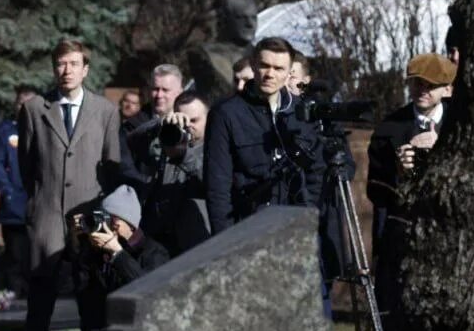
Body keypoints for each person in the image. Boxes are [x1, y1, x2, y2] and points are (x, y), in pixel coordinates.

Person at [18, 39, 121, 331]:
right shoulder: (35, 109)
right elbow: (27, 165)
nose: (67, 70)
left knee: (90, 296)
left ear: (85, 69)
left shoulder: (105, 111)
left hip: (88, 217)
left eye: (74, 64)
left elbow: (111, 164)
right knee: (40, 300)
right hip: (46, 215)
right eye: (61, 64)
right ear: (54, 67)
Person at [366, 52, 455, 331]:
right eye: (417, 83)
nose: (422, 90)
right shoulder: (389, 129)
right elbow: (375, 193)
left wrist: (441, 152)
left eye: (431, 84)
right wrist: (401, 171)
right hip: (402, 239)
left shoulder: (462, 128)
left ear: (448, 89)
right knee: (395, 326)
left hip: (450, 241)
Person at [204, 37, 325, 235]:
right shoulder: (226, 114)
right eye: (264, 66)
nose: (270, 74)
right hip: (246, 227)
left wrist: (308, 217)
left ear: (289, 73)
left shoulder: (302, 112)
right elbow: (217, 186)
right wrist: (224, 241)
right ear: (253, 64)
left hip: (295, 226)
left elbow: (316, 172)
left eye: (278, 69)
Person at [68, 184, 170, 331]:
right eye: (105, 220)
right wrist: (78, 247)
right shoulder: (96, 252)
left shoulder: (154, 253)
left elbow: (147, 291)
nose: (108, 228)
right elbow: (78, 294)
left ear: (130, 224)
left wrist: (118, 254)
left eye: (113, 222)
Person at [123, 90, 211, 255]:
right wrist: (161, 124)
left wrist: (183, 154)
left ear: (209, 119)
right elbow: (133, 141)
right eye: (184, 120)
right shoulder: (167, 141)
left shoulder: (215, 149)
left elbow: (208, 179)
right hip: (159, 243)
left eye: (194, 120)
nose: (188, 126)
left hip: (196, 243)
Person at [0, 83, 39, 297]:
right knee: (16, 256)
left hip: (40, 205)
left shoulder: (46, 130)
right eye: (21, 104)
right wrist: (7, 191)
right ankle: (15, 300)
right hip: (15, 207)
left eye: (31, 104)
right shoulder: (4, 132)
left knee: (35, 258)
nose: (25, 109)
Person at [123, 64, 183, 175]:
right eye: (155, 89)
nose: (159, 95)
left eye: (165, 90)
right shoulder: (132, 125)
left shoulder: (190, 122)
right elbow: (126, 167)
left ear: (179, 92)